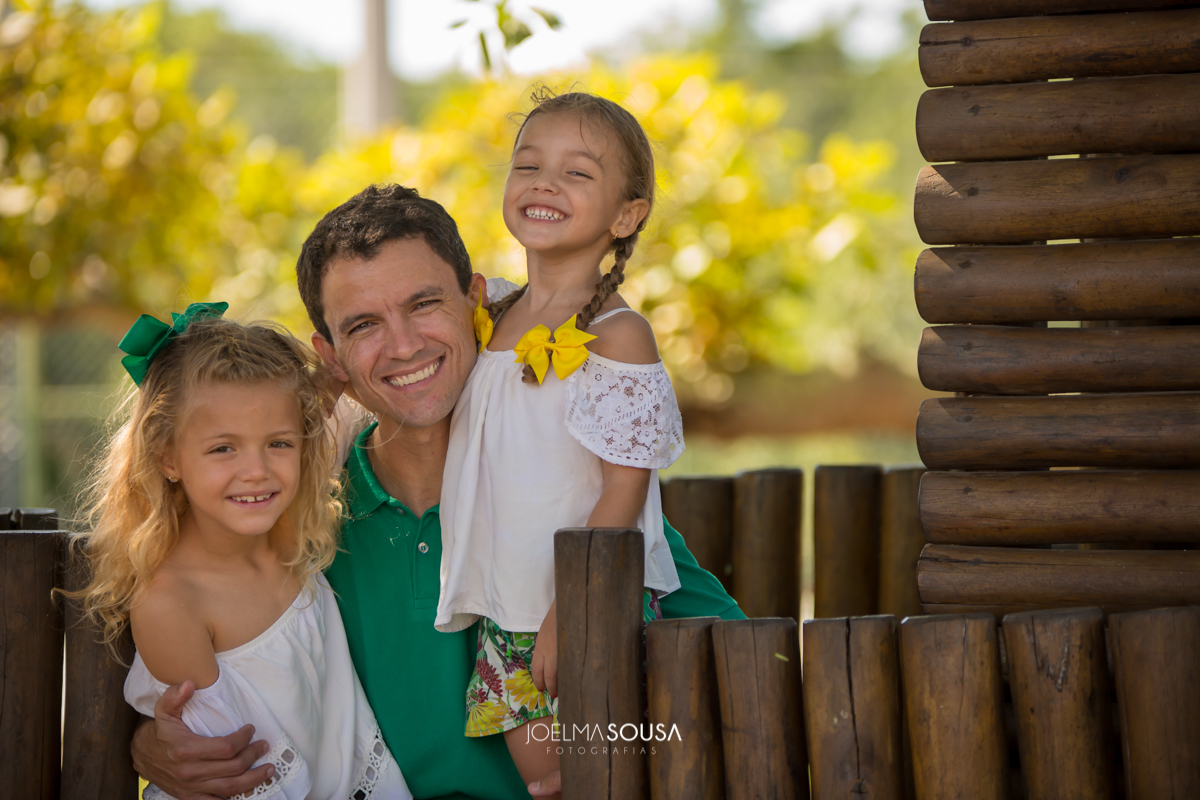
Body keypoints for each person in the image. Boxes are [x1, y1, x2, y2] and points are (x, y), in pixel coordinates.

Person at [130, 183, 744, 800]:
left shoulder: (573, 492)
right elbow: (233, 677)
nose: (404, 346)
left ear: (474, 299)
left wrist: (624, 753)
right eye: (364, 324)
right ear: (331, 357)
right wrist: (149, 745)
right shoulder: (297, 518)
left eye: (423, 304)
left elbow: (744, 675)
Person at [435, 89, 681, 791]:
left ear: (626, 215)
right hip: (507, 609)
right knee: (547, 787)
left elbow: (625, 489)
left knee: (605, 781)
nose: (544, 183)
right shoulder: (492, 314)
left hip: (586, 607)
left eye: (577, 173)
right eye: (528, 166)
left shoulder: (617, 335)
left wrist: (571, 612)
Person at [74, 306, 412, 799]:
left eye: (278, 444)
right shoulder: (174, 603)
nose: (256, 471)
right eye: (223, 449)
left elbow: (306, 417)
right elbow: (235, 775)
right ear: (168, 457)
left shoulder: (290, 535)